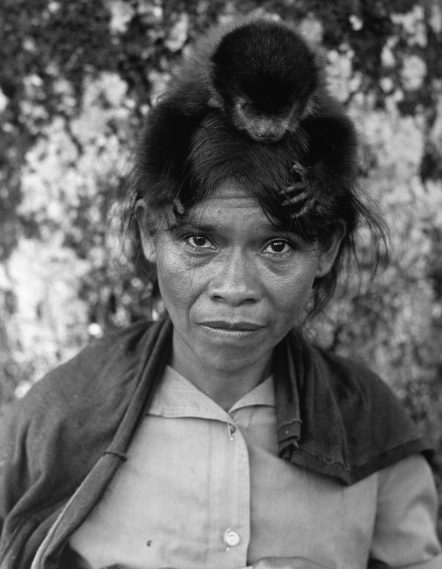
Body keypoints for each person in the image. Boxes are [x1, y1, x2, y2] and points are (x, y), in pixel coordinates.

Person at [0, 25, 441, 569]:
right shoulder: (56, 422)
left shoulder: (370, 424)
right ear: (151, 232)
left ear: (325, 249)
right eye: (199, 241)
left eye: (278, 246)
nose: (234, 289)